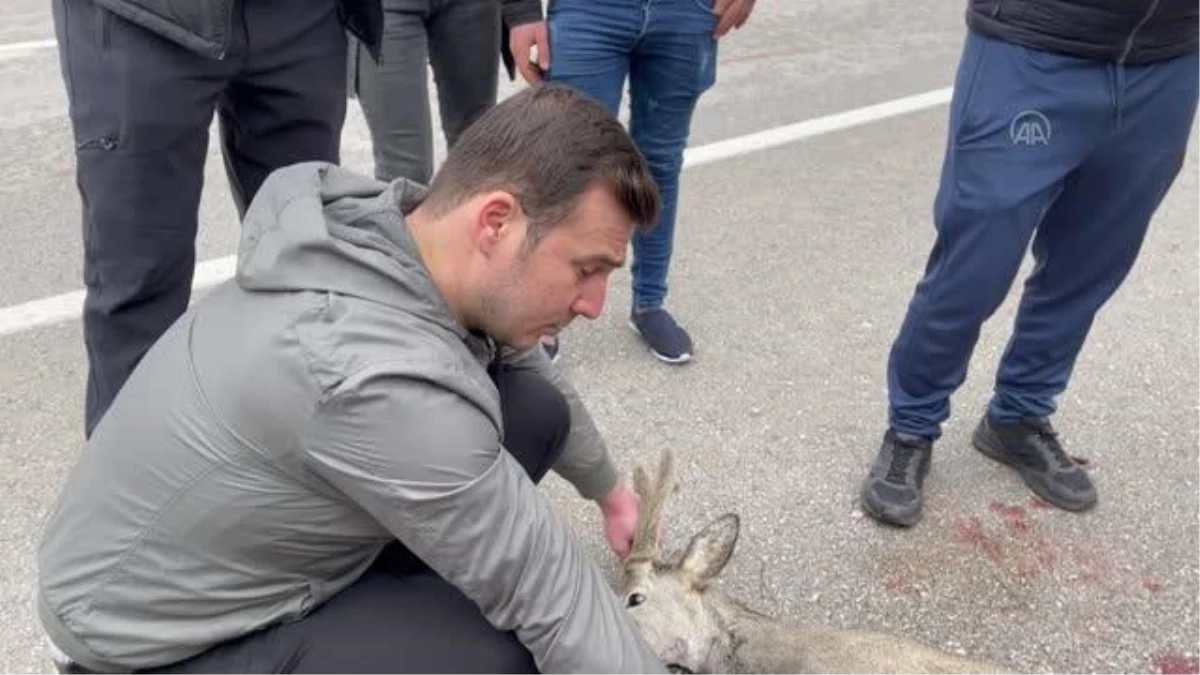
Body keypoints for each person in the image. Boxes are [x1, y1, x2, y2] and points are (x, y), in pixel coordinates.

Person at [37, 85, 670, 675]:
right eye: (587, 268)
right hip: (148, 640)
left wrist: (610, 492)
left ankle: (398, 593)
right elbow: (548, 587)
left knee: (534, 411)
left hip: (217, 550)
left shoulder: (397, 232)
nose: (594, 304)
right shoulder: (364, 371)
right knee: (490, 657)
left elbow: (526, 362)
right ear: (496, 222)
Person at [860, 0, 1200, 528]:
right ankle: (911, 427)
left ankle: (1018, 415)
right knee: (974, 265)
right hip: (1034, 47)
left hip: (1168, 62)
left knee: (1088, 265)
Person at [51, 0, 384, 438]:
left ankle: (302, 477)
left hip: (302, 16)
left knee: (309, 270)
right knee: (138, 285)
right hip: (141, 18)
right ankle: (134, 495)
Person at [506, 0, 756, 364]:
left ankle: (650, 302)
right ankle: (544, 313)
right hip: (589, 11)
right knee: (570, 160)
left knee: (660, 163)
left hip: (686, 13)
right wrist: (522, 11)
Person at [347, 0, 501, 185]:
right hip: (384, 7)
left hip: (471, 6)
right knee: (404, 174)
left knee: (476, 159)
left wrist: (523, 12)